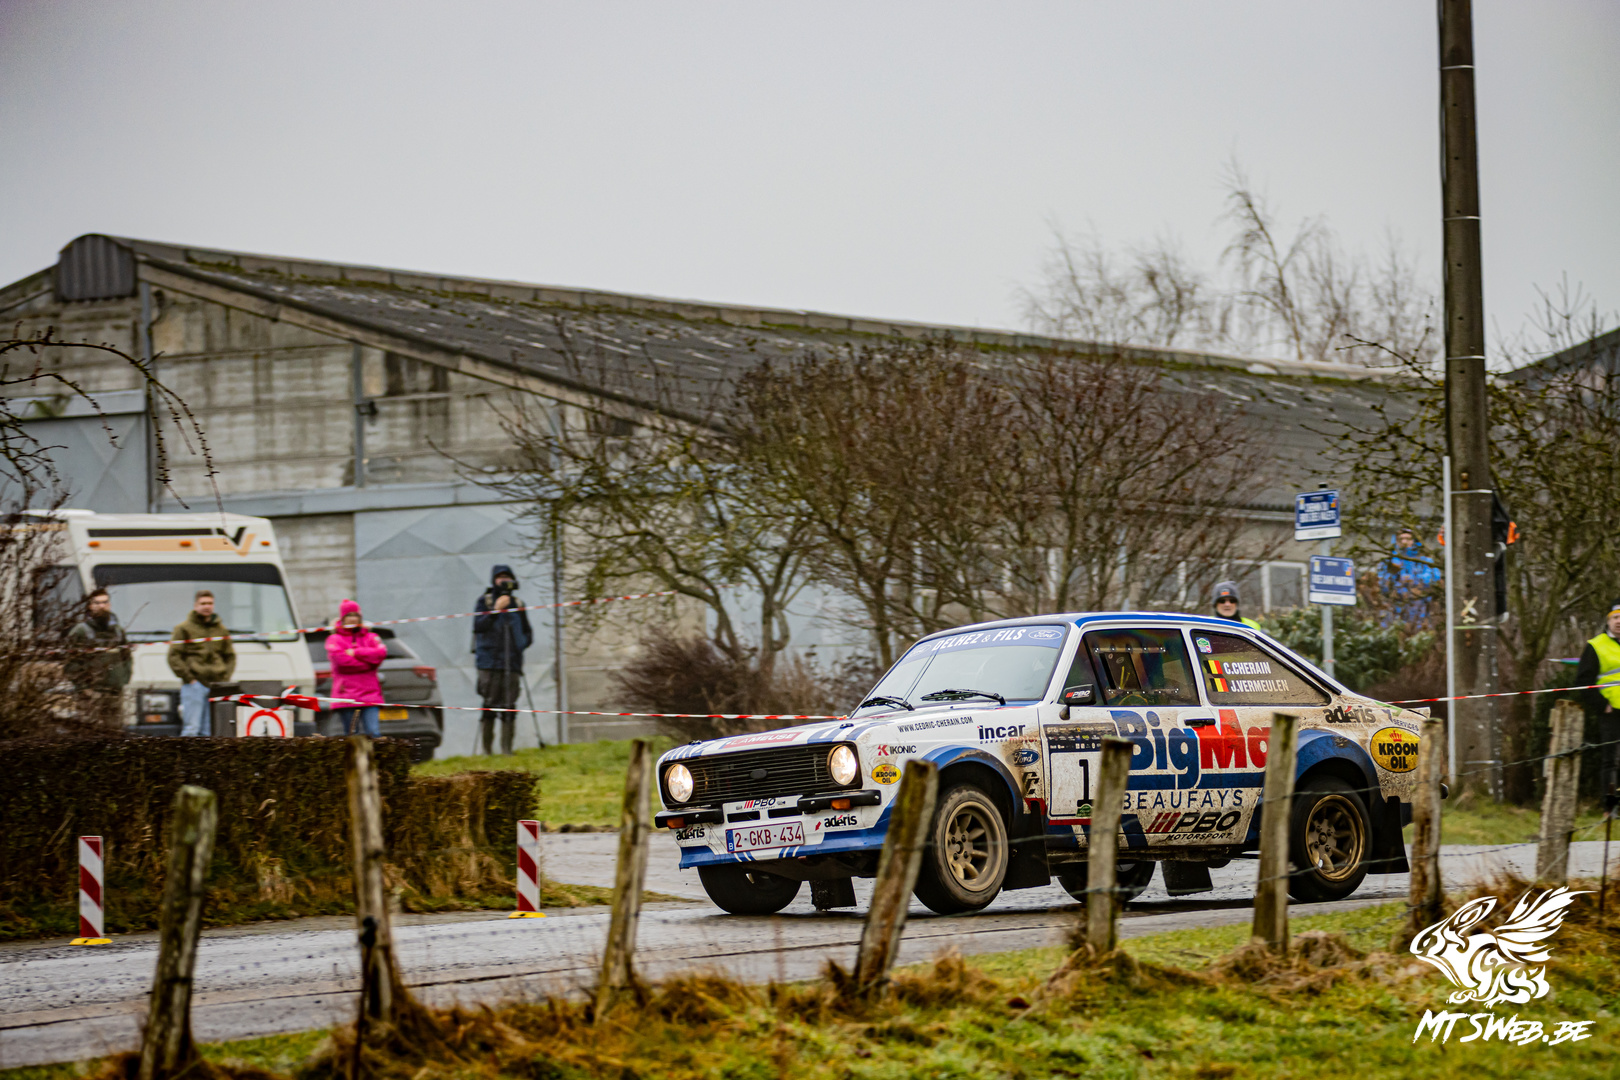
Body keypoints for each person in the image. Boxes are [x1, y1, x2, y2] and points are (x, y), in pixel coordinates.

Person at [473, 564, 532, 756]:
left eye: (507, 577)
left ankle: (507, 749)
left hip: (512, 661)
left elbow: (527, 632)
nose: (504, 580)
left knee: (509, 704)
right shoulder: (485, 601)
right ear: (494, 580)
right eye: (500, 577)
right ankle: (487, 750)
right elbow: (478, 626)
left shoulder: (518, 603)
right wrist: (496, 610)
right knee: (489, 702)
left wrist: (519, 645)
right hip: (489, 662)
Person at [167, 590, 235, 737]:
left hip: (216, 685)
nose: (207, 606)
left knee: (210, 730)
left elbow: (230, 656)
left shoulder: (221, 630)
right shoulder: (183, 628)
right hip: (194, 685)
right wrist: (189, 678)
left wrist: (224, 677)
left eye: (210, 603)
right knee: (192, 729)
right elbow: (174, 656)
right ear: (195, 605)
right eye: (203, 603)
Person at [1575, 599, 1620, 812]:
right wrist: (1602, 705)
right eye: (1615, 618)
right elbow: (1583, 682)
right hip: (1611, 712)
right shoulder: (1596, 646)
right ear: (1608, 621)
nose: (1619, 622)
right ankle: (1610, 808)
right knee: (1610, 761)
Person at [65, 588, 132, 724]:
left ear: (109, 604)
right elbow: (71, 662)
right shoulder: (81, 631)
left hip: (114, 693)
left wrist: (123, 679)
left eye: (105, 602)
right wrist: (83, 688)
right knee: (90, 732)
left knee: (115, 732)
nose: (102, 606)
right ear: (90, 606)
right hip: (91, 694)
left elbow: (126, 657)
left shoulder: (118, 631)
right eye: (97, 603)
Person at [325, 599, 387, 738]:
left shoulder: (371, 637)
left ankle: (373, 754)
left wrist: (356, 652)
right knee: (352, 735)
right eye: (349, 615)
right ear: (342, 618)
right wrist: (368, 664)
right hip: (346, 695)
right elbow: (341, 662)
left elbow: (380, 654)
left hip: (370, 695)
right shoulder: (335, 639)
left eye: (355, 615)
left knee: (374, 733)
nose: (353, 618)